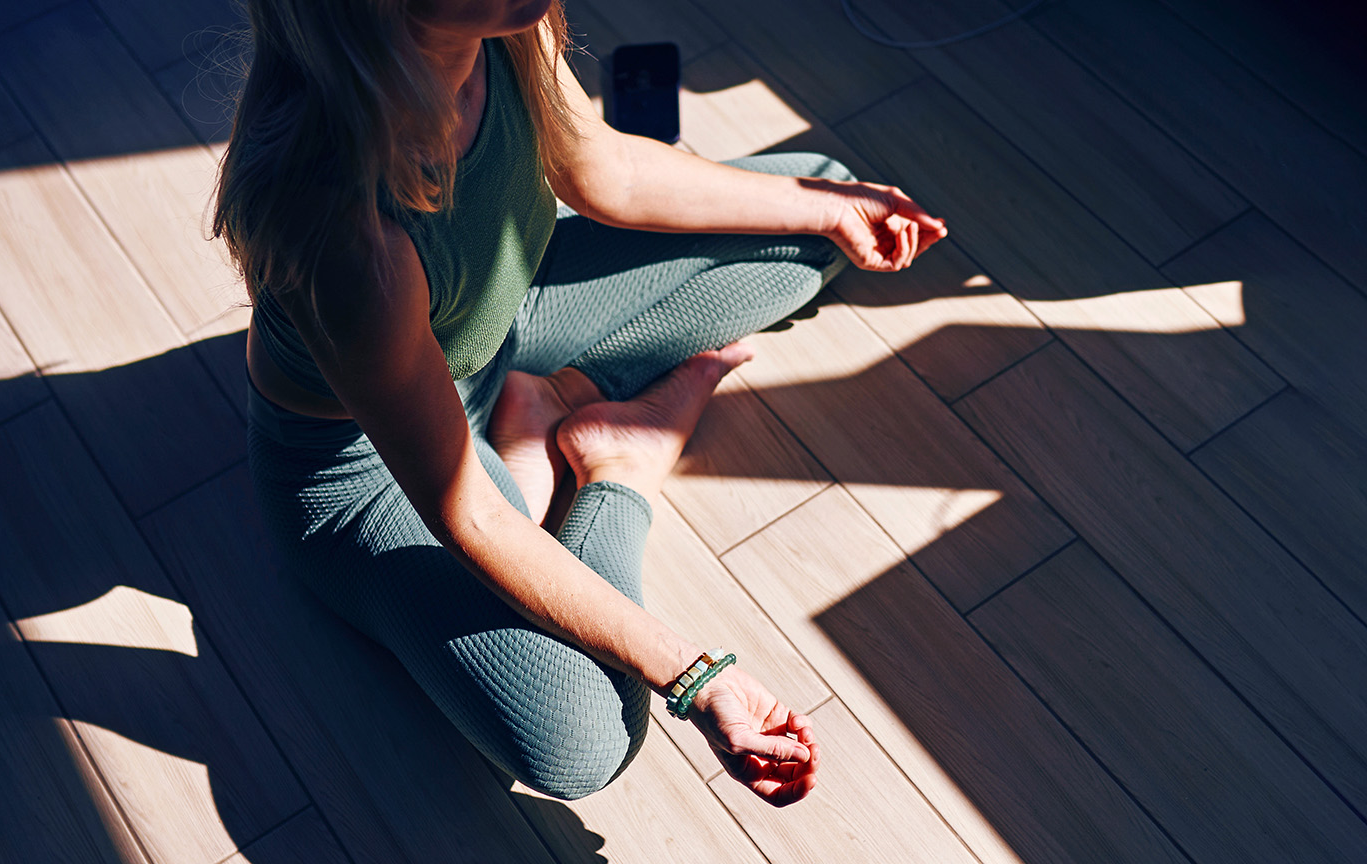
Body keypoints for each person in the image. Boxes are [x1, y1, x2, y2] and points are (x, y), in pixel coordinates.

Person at [214, 0, 945, 806]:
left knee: (829, 207)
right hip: (367, 474)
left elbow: (609, 175)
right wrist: (698, 679)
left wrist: (826, 207)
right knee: (583, 737)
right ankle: (618, 468)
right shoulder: (344, 233)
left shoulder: (505, 26)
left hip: (499, 321)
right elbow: (472, 520)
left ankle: (553, 401)